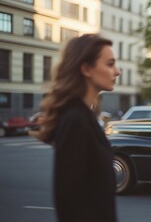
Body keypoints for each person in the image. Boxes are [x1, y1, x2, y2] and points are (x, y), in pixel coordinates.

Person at [36, 34, 121, 222]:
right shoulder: (75, 120)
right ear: (86, 69)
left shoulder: (84, 116)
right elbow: (68, 200)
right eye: (109, 64)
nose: (117, 71)